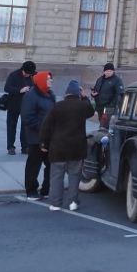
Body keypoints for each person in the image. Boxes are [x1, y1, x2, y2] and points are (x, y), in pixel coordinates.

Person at [39, 79, 95, 211]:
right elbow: (91, 112)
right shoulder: (82, 106)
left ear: (66, 94)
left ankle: (55, 203)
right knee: (74, 176)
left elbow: (46, 126)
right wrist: (84, 97)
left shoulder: (57, 106)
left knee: (56, 177)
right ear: (78, 93)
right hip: (76, 148)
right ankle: (73, 202)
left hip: (58, 148)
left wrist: (43, 142)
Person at [21, 71, 56, 199]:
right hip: (35, 137)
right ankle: (31, 191)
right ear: (41, 81)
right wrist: (43, 130)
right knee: (34, 165)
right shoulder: (31, 96)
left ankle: (46, 190)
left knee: (51, 163)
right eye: (48, 79)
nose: (51, 81)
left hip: (49, 137)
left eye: (51, 79)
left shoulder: (50, 94)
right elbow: (27, 117)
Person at [3, 60, 36, 154]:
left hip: (27, 105)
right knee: (11, 126)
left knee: (25, 127)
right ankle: (10, 147)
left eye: (30, 74)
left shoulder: (33, 75)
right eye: (27, 73)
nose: (29, 75)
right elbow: (7, 88)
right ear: (23, 70)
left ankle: (25, 147)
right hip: (13, 105)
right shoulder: (14, 75)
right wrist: (20, 90)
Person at [90, 62, 124, 130]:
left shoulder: (117, 80)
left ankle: (103, 137)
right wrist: (93, 94)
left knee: (103, 124)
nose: (109, 72)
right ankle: (105, 135)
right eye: (107, 71)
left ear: (113, 71)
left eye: (110, 71)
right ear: (104, 71)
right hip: (100, 105)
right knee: (102, 122)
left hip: (109, 106)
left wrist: (114, 104)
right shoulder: (100, 79)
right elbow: (96, 89)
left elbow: (120, 93)